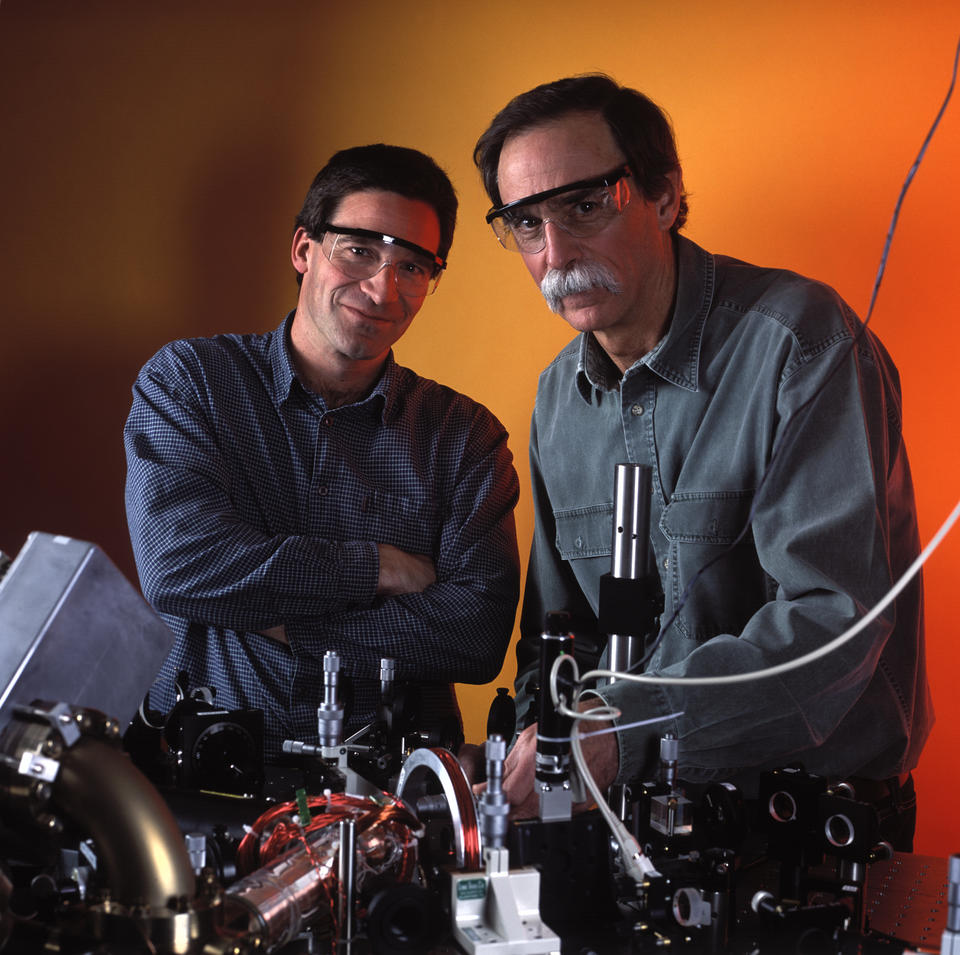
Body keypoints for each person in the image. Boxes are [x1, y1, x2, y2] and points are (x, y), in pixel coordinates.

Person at [473, 75, 932, 847]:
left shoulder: (802, 343)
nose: (554, 253)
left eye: (584, 205)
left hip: (809, 829)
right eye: (525, 223)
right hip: (627, 815)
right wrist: (539, 754)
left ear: (664, 196)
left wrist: (625, 728)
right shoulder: (557, 397)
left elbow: (834, 620)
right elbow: (556, 641)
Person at [124, 144, 521, 760]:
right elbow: (179, 568)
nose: (384, 288)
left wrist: (289, 623)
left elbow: (476, 634)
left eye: (413, 266)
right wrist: (377, 568)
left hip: (389, 791)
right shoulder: (192, 382)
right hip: (196, 763)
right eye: (360, 249)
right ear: (304, 250)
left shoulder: (464, 437)